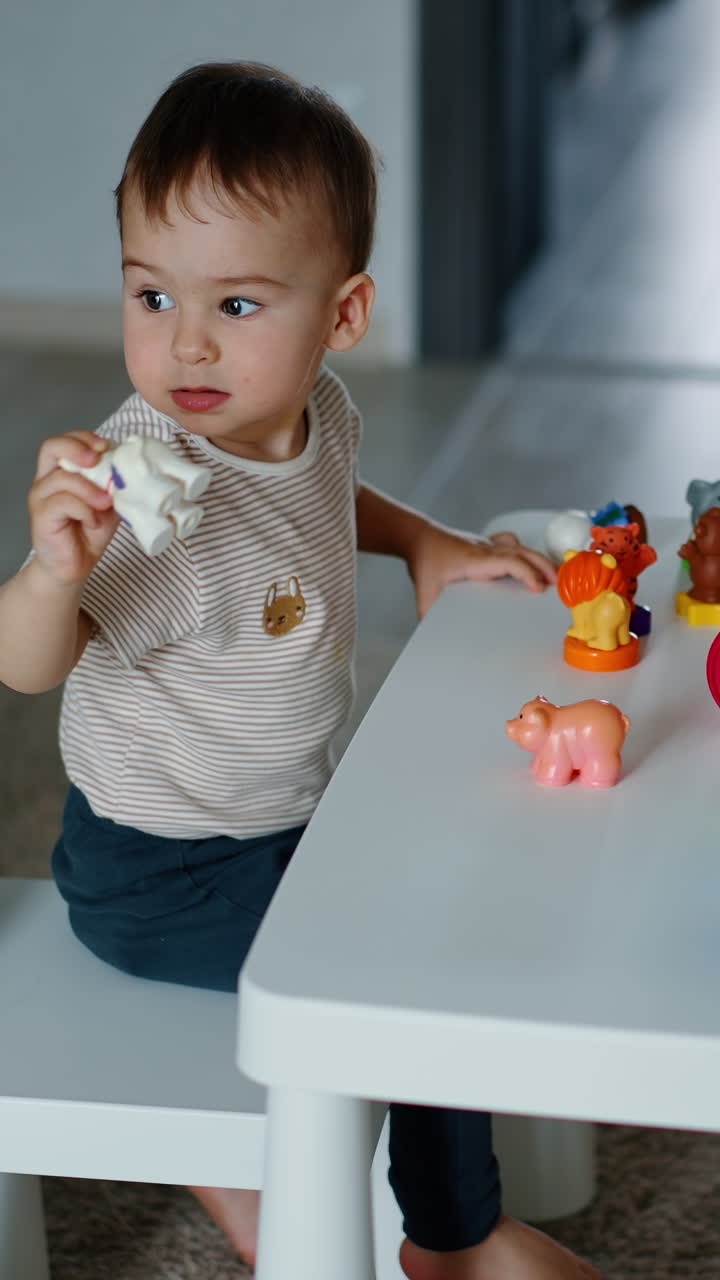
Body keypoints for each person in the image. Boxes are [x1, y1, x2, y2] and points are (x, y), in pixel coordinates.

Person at [0, 62, 602, 1280]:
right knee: (401, 977)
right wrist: (51, 573)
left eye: (236, 305)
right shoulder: (151, 497)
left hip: (281, 817)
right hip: (157, 869)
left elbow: (326, 499)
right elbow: (29, 665)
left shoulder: (312, 410)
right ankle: (453, 1237)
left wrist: (425, 540)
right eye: (152, 292)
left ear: (341, 317)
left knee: (461, 875)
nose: (182, 343)